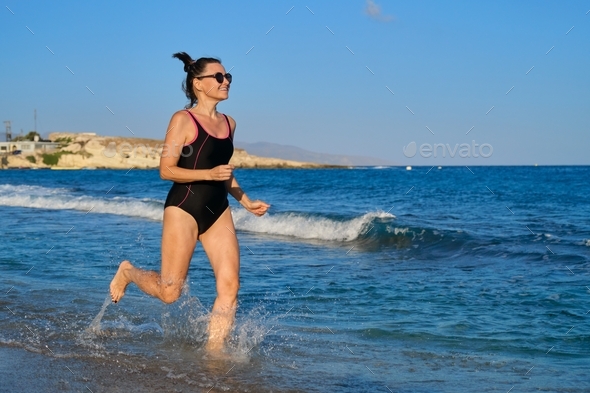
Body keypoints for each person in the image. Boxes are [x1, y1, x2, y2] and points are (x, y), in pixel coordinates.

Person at [109, 52, 270, 352]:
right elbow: (166, 169)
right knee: (170, 293)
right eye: (219, 77)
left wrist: (244, 200)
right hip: (184, 206)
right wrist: (208, 174)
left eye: (228, 77)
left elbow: (222, 172)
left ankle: (214, 354)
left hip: (218, 209)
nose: (226, 82)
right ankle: (128, 272)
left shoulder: (230, 124)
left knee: (230, 285)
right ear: (198, 83)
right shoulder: (182, 119)